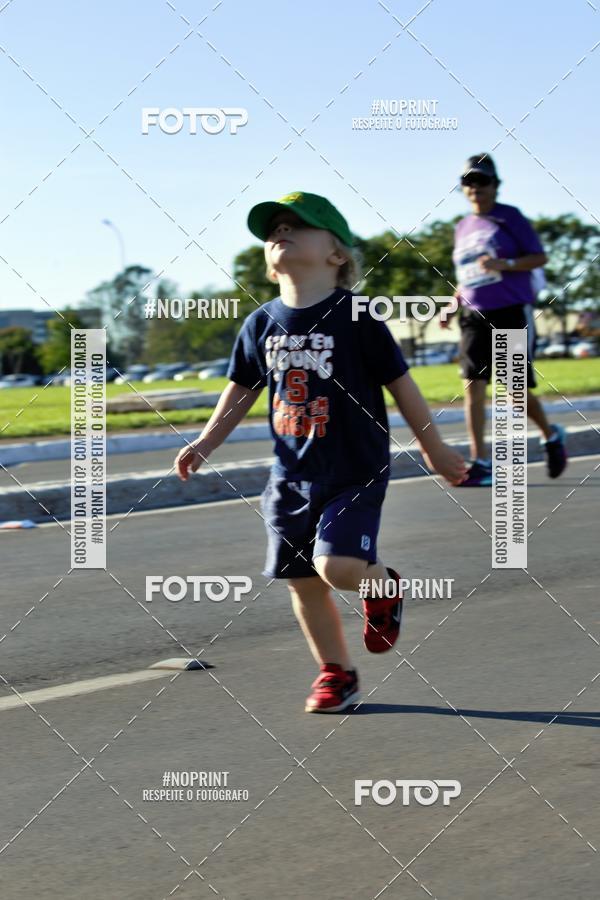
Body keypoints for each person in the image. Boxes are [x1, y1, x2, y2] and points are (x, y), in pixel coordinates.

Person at [175, 191, 467, 713]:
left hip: (354, 469)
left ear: (336, 254)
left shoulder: (355, 315)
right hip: (289, 478)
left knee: (334, 567)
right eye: (273, 230)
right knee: (302, 583)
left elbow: (401, 385)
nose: (279, 233)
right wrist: (205, 441)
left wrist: (436, 448)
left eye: (295, 226)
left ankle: (382, 586)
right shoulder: (260, 323)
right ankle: (338, 674)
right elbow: (241, 391)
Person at [443, 154, 568, 486]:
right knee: (473, 387)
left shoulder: (510, 218)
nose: (475, 188)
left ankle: (550, 434)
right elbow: (466, 275)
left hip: (510, 310)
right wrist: (452, 303)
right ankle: (480, 461)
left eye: (482, 181)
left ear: (496, 185)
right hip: (473, 313)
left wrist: (506, 264)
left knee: (515, 390)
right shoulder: (461, 227)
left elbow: (539, 257)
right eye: (468, 182)